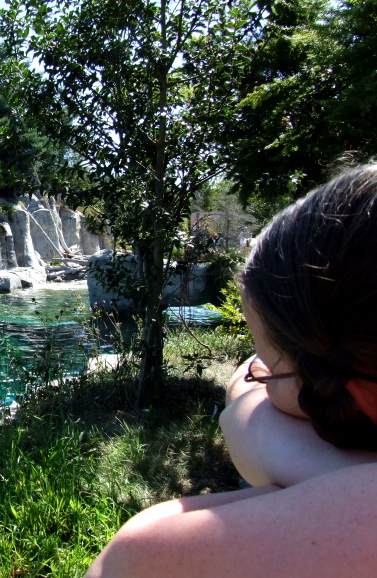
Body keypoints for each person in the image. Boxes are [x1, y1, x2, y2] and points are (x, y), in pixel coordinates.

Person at [85, 165, 377, 578]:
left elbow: (242, 408)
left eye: (266, 367)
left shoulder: (153, 556)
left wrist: (269, 440)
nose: (253, 373)